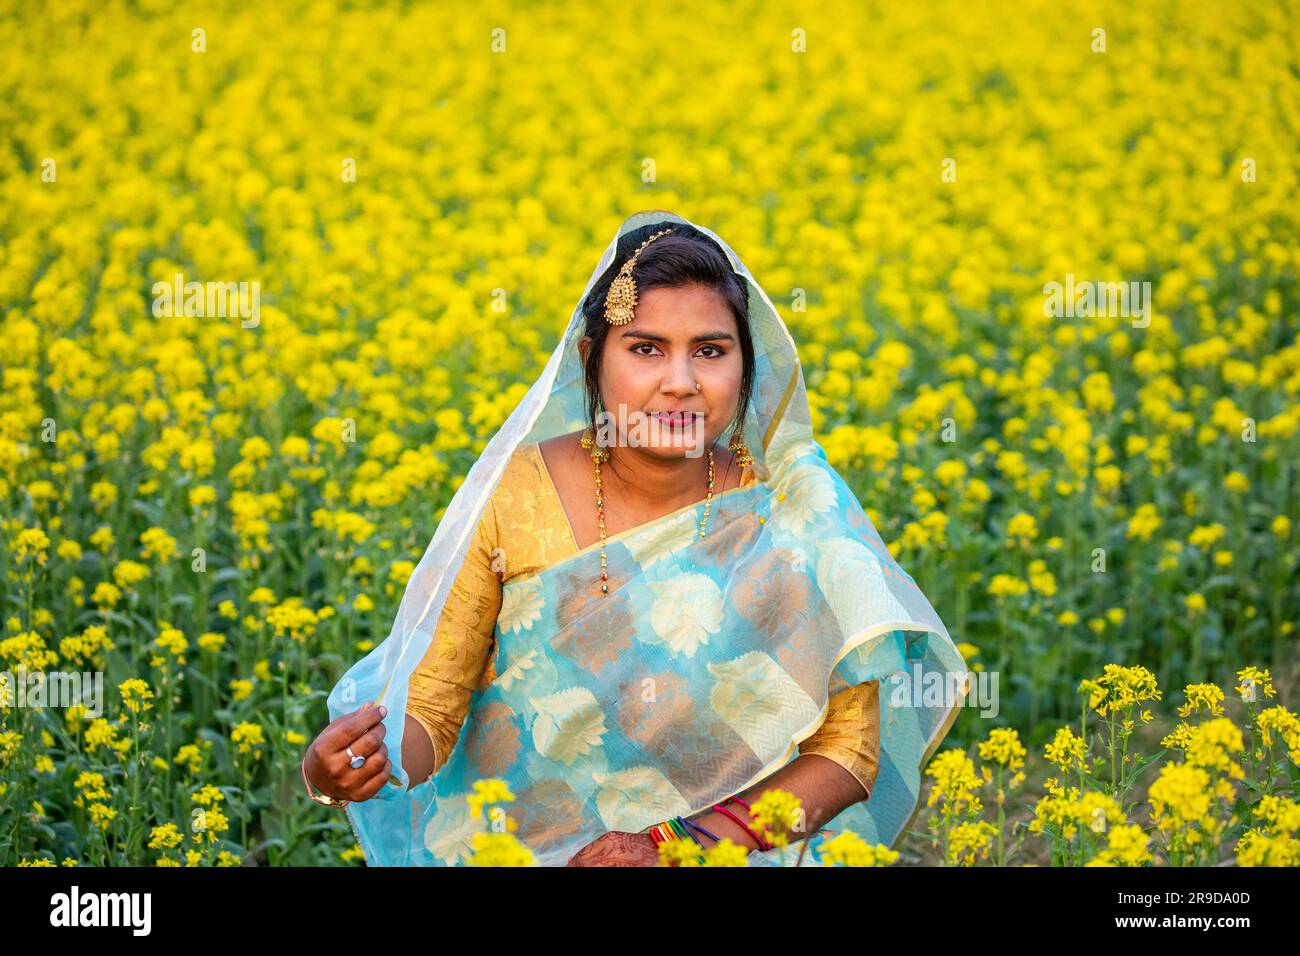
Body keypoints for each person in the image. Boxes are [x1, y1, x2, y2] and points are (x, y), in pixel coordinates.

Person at [302, 211, 968, 866]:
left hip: (727, 848)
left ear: (745, 365)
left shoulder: (795, 506)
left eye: (710, 351)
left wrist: (676, 846)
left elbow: (846, 753)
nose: (680, 383)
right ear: (594, 360)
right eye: (646, 349)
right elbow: (433, 711)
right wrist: (366, 762)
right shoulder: (518, 494)